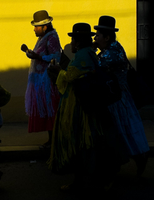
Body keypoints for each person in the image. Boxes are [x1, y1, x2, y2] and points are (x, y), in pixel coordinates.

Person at [47, 23, 110, 195]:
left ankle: (82, 183)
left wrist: (58, 70)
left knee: (79, 145)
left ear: (78, 41)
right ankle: (87, 181)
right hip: (85, 104)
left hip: (78, 107)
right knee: (86, 147)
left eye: (73, 39)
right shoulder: (89, 53)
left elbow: (71, 76)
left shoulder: (82, 55)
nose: (71, 43)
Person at [93, 16, 149, 177]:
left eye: (98, 35)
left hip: (118, 100)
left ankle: (138, 157)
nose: (95, 38)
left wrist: (90, 49)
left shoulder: (112, 53)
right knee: (121, 131)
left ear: (107, 37)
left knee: (123, 130)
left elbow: (96, 67)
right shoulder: (110, 49)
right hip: (114, 97)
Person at [22, 10, 61, 149]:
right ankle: (51, 141)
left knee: (51, 111)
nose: (34, 29)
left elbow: (56, 57)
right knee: (47, 111)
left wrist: (38, 57)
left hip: (47, 82)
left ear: (45, 26)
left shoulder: (52, 38)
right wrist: (30, 53)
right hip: (40, 81)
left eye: (36, 26)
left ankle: (54, 142)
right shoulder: (43, 38)